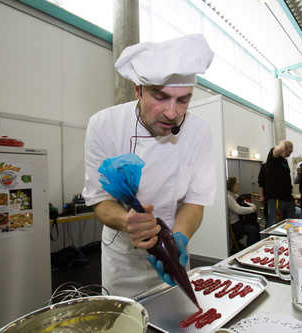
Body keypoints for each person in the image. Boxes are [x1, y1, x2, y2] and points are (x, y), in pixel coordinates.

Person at [82, 34, 216, 298]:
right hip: (122, 259)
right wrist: (127, 220)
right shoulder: (103, 126)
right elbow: (99, 201)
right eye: (160, 97)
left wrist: (177, 241)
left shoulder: (199, 130)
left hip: (173, 250)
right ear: (138, 90)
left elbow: (195, 200)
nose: (172, 113)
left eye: (183, 100)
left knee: (178, 319)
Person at [264, 140, 296, 228]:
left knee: (290, 225)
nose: (292, 151)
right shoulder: (273, 157)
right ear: (287, 148)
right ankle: (270, 241)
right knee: (274, 225)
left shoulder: (284, 161)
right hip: (276, 199)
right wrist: (282, 144)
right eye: (291, 149)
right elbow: (278, 150)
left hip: (288, 199)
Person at [226, 176, 260, 247]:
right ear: (232, 186)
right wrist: (252, 209)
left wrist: (252, 205)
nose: (239, 186)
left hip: (240, 221)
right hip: (235, 224)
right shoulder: (229, 197)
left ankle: (257, 246)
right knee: (253, 230)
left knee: (256, 224)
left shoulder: (234, 195)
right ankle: (250, 250)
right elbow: (238, 210)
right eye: (237, 184)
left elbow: (244, 202)